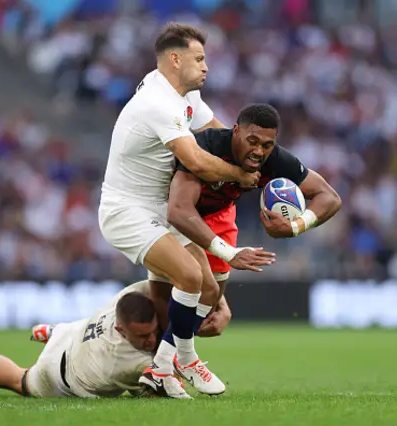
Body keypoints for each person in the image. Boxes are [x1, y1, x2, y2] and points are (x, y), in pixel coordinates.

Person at [98, 22, 271, 399]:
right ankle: (186, 360)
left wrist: (259, 159)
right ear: (175, 60)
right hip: (126, 211)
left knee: (208, 289)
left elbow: (220, 133)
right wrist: (243, 176)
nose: (206, 66)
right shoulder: (158, 103)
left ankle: (160, 369)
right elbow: (199, 162)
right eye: (199, 58)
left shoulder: (181, 96)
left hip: (157, 210)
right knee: (191, 277)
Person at [159, 104, 342, 310]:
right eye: (252, 142)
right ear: (236, 131)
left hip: (220, 214)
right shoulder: (207, 146)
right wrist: (229, 253)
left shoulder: (274, 159)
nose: (258, 151)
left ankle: (175, 335)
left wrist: (295, 227)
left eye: (267, 145)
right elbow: (178, 210)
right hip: (174, 214)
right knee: (194, 292)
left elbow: (330, 197)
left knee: (210, 310)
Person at [0, 291, 162, 399]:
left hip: (74, 333)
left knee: (80, 327)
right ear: (122, 330)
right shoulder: (127, 363)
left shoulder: (124, 300)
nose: (151, 339)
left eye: (153, 331)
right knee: (20, 379)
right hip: (57, 374)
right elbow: (164, 388)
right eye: (143, 336)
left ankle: (53, 332)